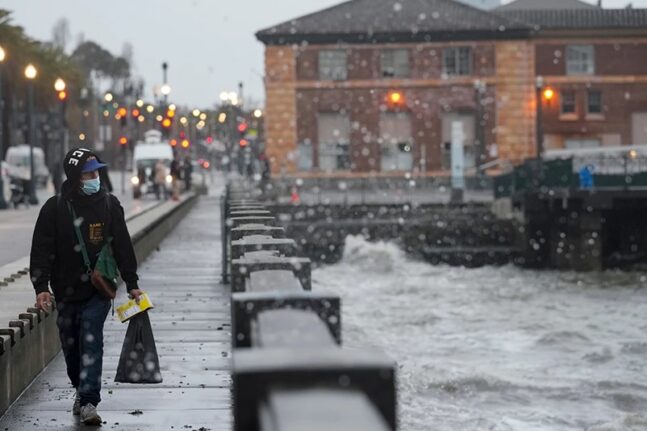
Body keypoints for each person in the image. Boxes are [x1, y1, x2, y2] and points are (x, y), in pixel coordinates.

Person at [30, 148, 142, 426]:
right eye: (88, 173)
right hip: (65, 291)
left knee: (91, 339)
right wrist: (41, 287)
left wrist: (132, 283)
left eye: (97, 172)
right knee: (71, 347)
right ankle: (81, 388)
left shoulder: (109, 204)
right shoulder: (54, 209)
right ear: (74, 176)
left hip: (97, 290)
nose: (95, 177)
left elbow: (123, 245)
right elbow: (41, 250)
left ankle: (90, 400)